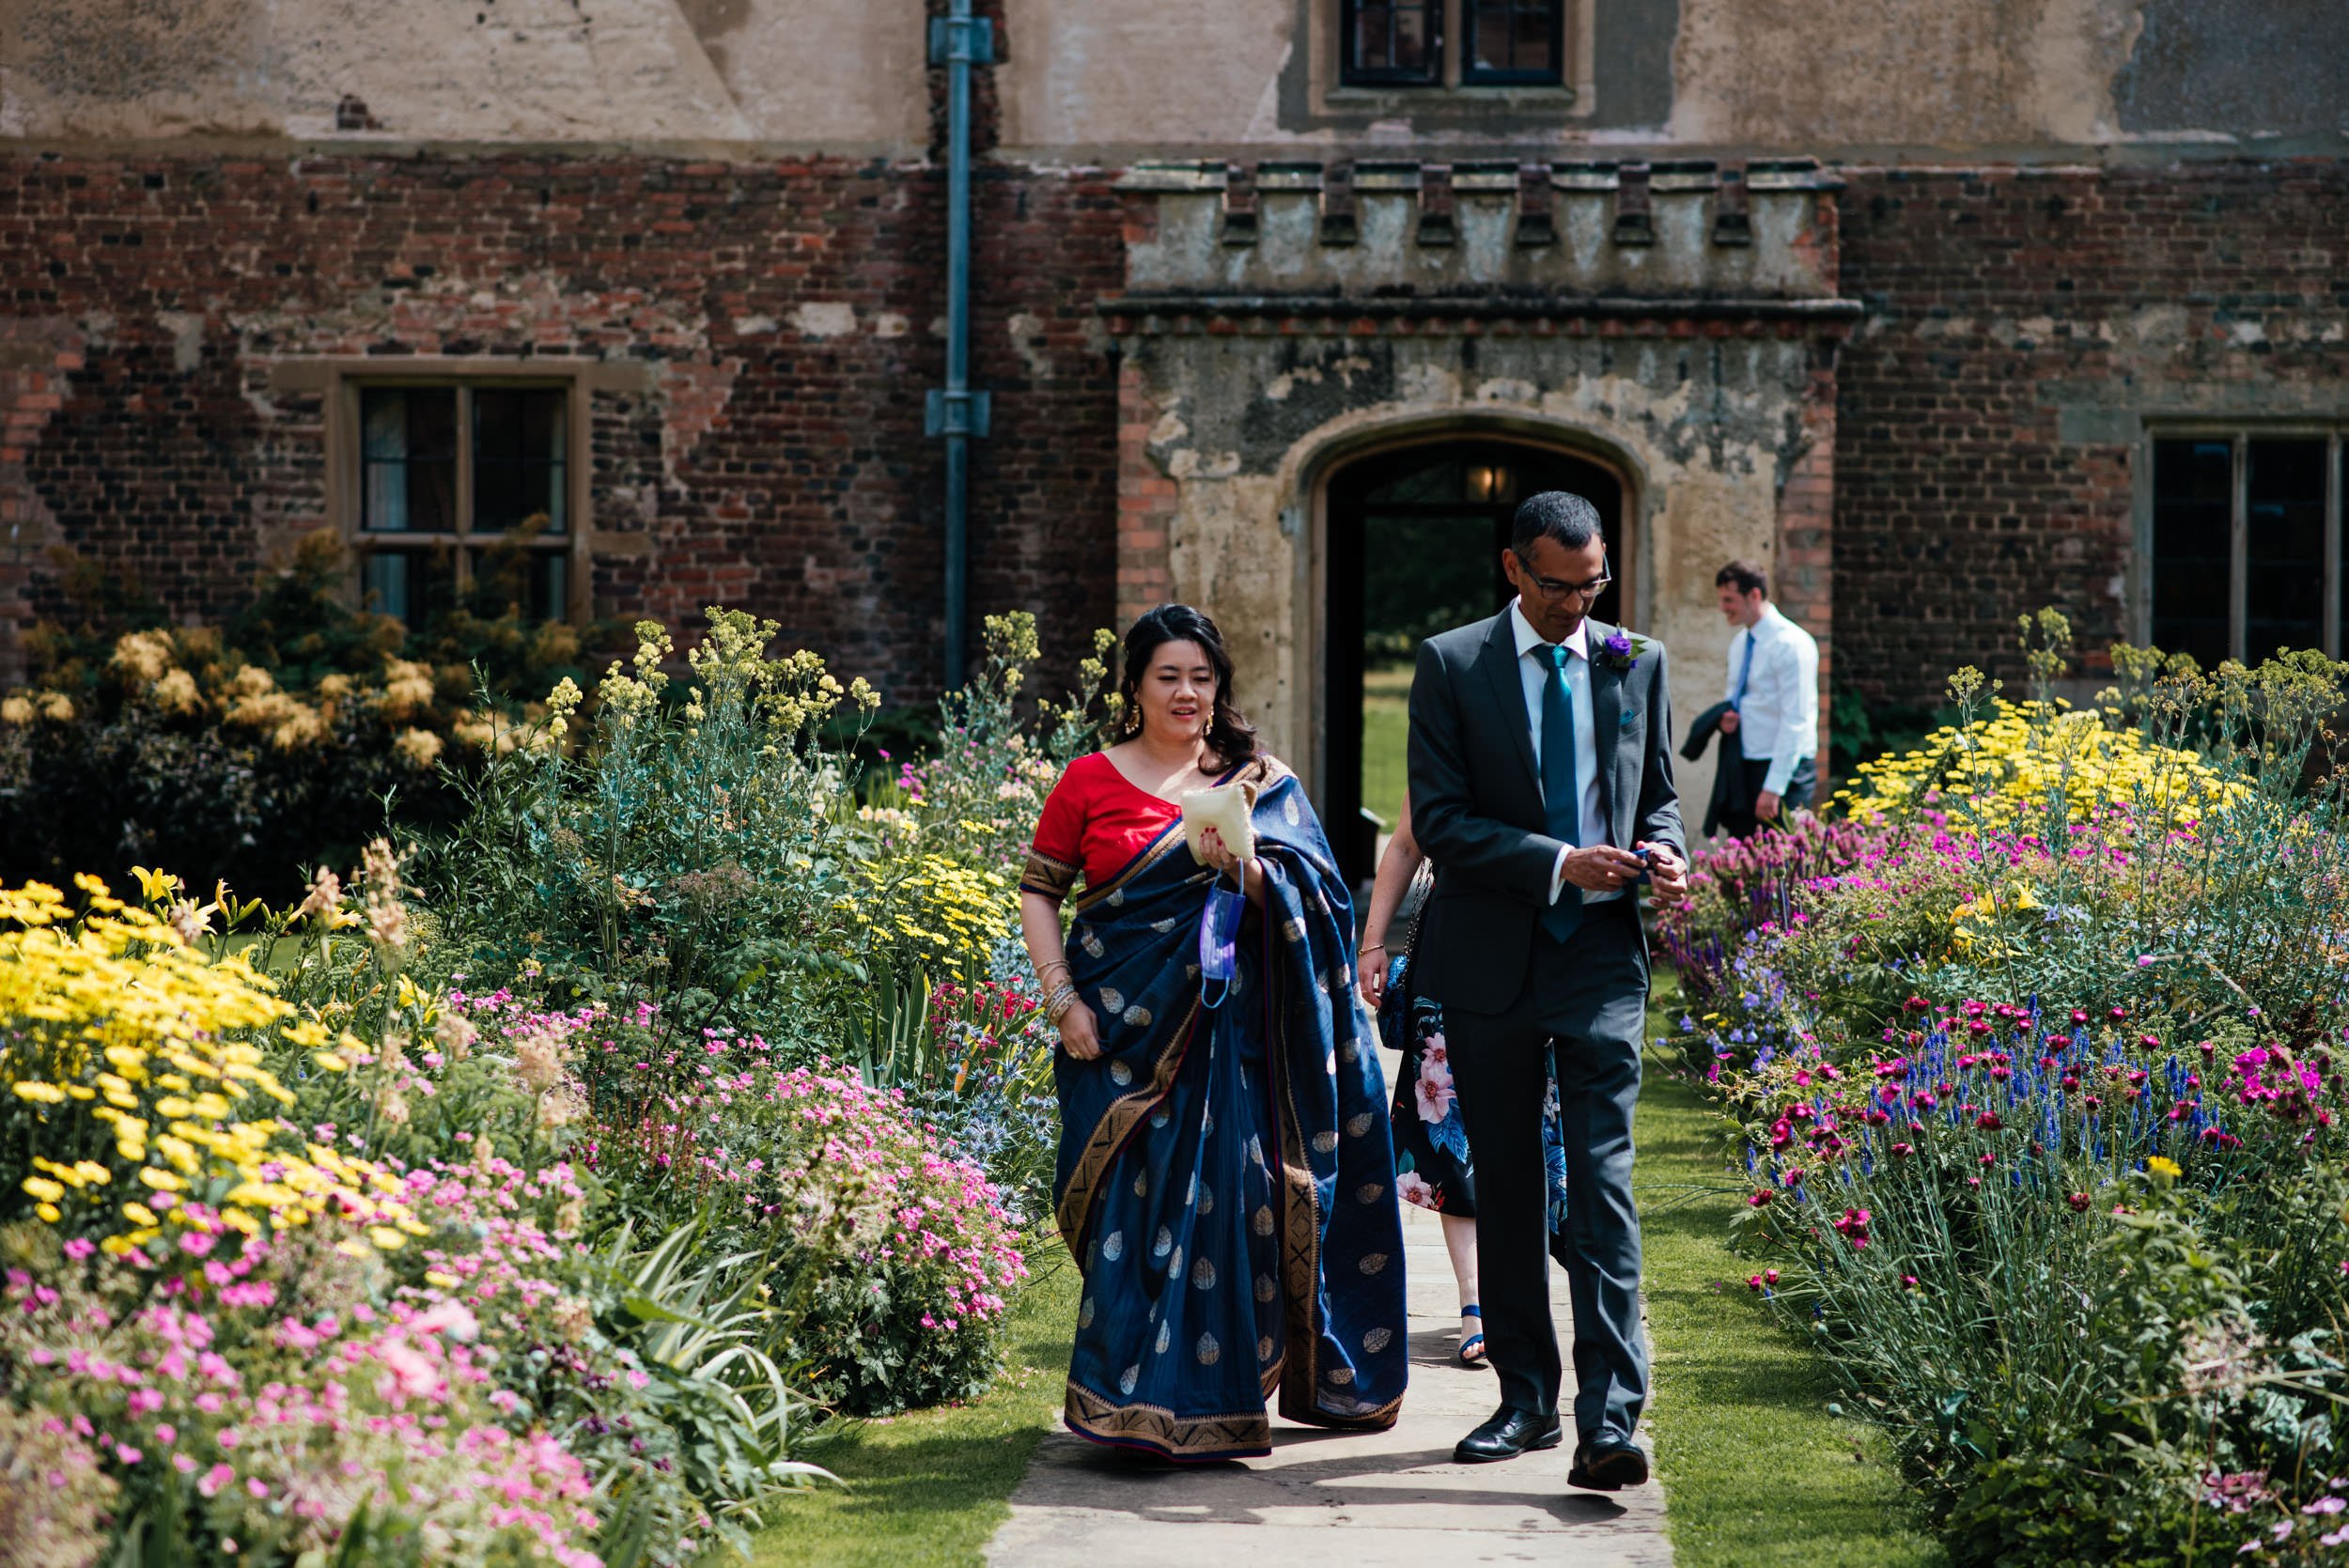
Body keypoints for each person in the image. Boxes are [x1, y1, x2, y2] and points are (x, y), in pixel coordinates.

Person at [1019, 603, 1408, 1463]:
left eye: (1203, 677)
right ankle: (1125, 1400)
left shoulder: (1256, 783)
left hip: (1233, 1044)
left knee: (1237, 1200)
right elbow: (1040, 891)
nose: (1188, 692)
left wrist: (1251, 872)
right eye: (1169, 676)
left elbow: (1321, 900)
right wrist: (1061, 1000)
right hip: (1118, 1038)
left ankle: (1213, 1401)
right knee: (1130, 1205)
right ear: (1135, 686)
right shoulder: (1087, 779)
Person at [1405, 489, 1688, 1492]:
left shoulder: (1636, 660)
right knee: (1512, 1189)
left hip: (1602, 962)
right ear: (1513, 568)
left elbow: (1655, 790)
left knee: (1602, 1186)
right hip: (1489, 962)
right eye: (1560, 586)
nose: (1580, 606)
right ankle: (1523, 1398)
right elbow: (1440, 821)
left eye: (1594, 583)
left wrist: (1665, 851)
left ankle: (1609, 1421)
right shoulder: (1448, 665)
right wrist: (1563, 860)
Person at [1358, 787, 1573, 1369]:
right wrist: (1373, 940)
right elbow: (1406, 840)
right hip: (1450, 956)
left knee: (1541, 1134)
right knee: (1450, 1138)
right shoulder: (1447, 714)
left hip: (1543, 952)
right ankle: (1474, 1305)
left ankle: (1529, 1296)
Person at [1711, 560, 1819, 836]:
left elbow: (1797, 720)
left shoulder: (1792, 644)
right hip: (1745, 763)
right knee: (1743, 864)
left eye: (1729, 599)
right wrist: (1729, 719)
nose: (1723, 607)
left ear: (1754, 595)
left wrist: (1773, 788)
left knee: (1783, 865)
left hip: (1784, 769)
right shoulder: (1739, 643)